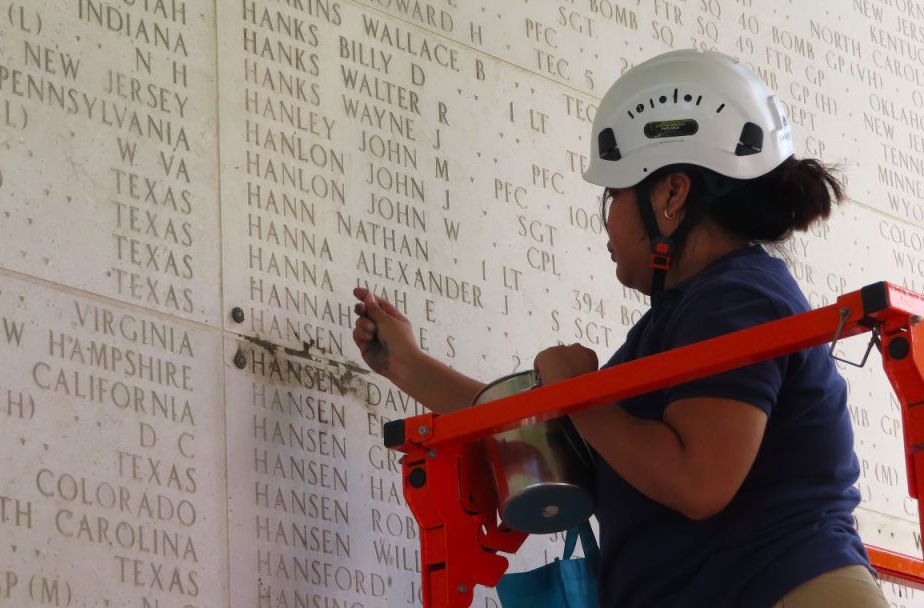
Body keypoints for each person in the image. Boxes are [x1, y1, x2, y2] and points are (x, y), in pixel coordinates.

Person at [352, 49, 888, 608]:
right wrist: (406, 365)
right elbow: (540, 432)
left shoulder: (735, 299)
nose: (606, 222)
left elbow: (698, 481)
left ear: (671, 194)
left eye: (613, 195)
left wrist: (575, 396)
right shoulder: (684, 317)